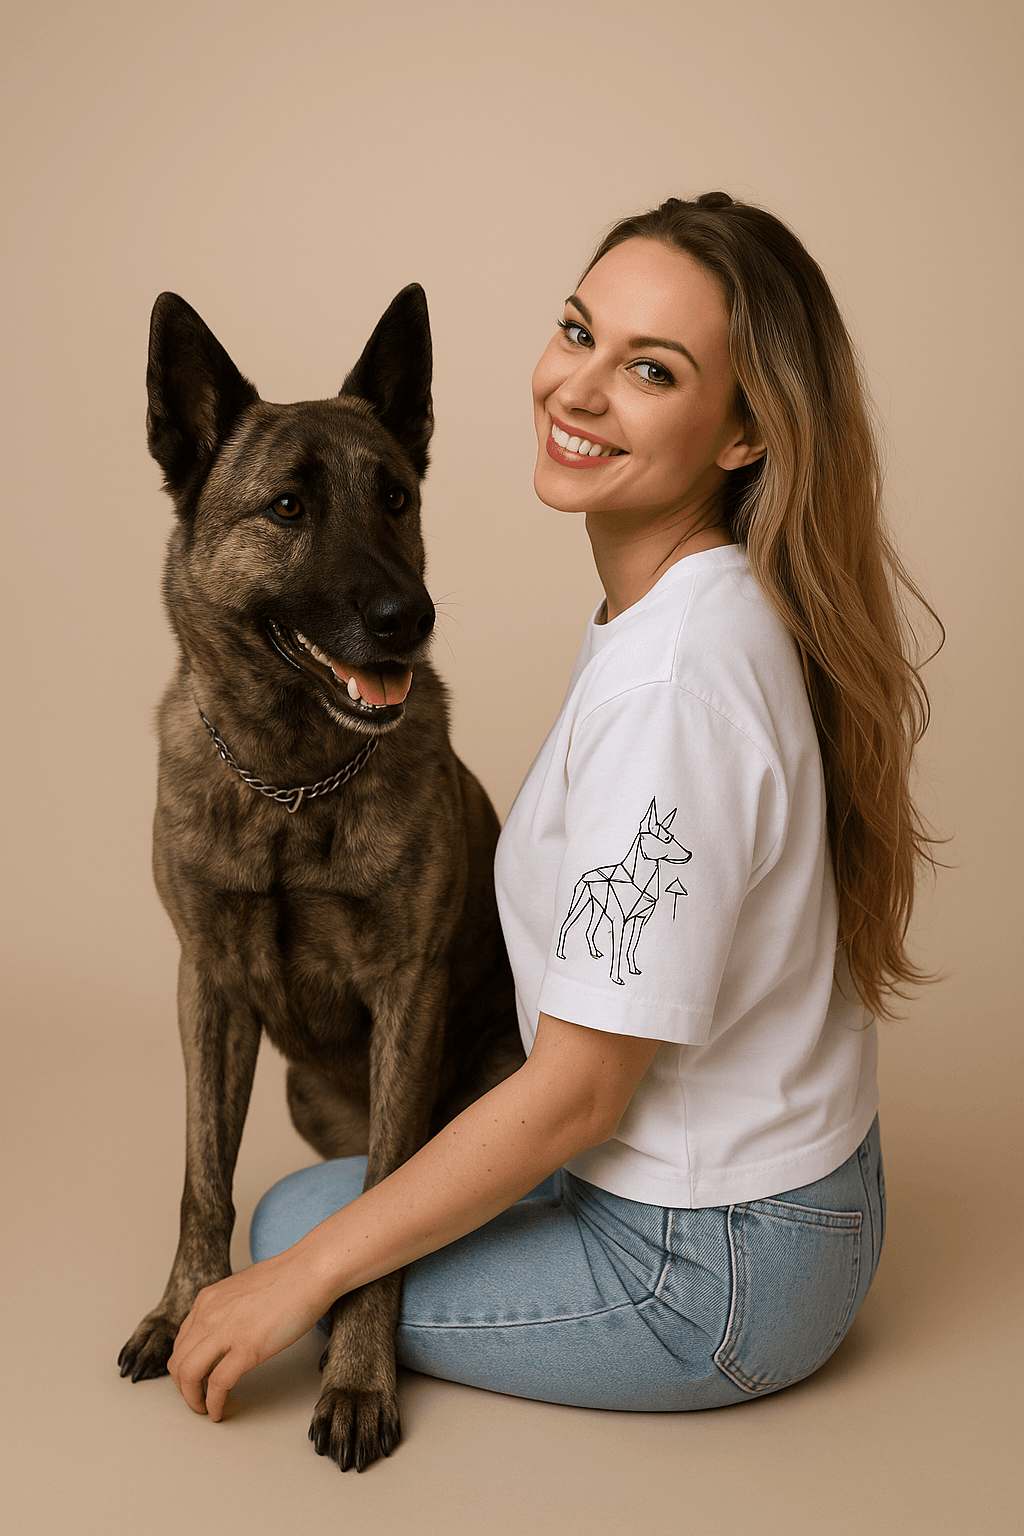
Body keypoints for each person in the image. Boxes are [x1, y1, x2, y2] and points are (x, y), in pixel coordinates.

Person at [167, 192, 935, 1428]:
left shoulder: (672, 689)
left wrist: (299, 1282)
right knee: (331, 1214)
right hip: (785, 1202)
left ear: (745, 432)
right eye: (578, 333)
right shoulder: (691, 602)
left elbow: (576, 1095)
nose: (578, 389)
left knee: (295, 1229)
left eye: (650, 369)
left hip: (709, 1276)